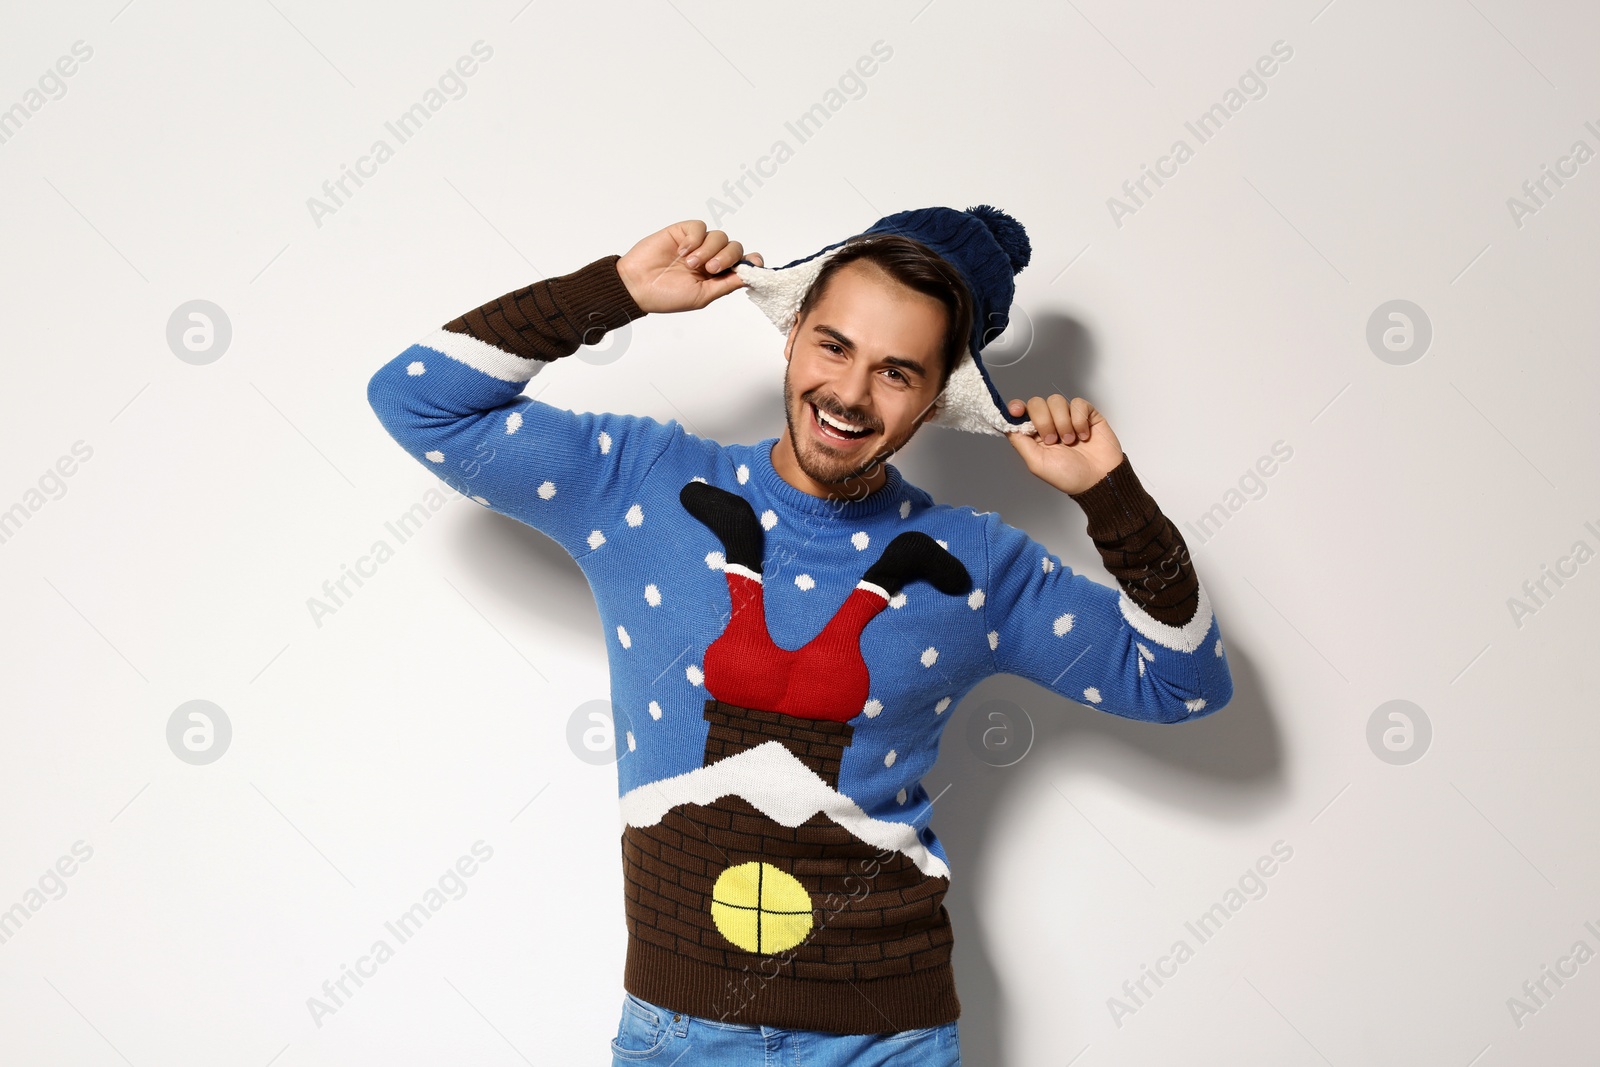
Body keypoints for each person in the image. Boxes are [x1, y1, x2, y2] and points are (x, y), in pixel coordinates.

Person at [367, 206, 1234, 1065]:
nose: (850, 394)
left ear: (937, 399)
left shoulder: (974, 563)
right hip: (678, 1029)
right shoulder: (644, 485)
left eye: (897, 372)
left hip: (887, 1037)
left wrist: (1111, 497)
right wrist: (616, 291)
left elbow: (1183, 682)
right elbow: (415, 399)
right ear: (792, 337)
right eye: (834, 345)